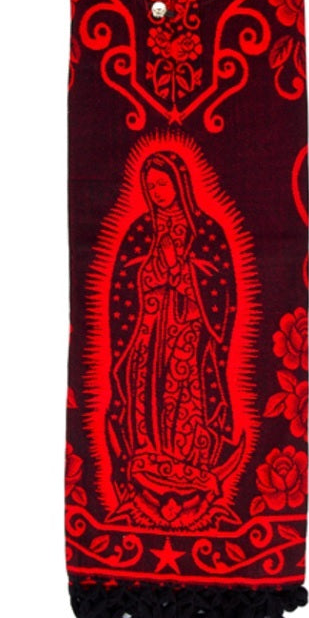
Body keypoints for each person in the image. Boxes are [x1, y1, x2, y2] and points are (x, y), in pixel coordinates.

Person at [105, 150, 237, 528]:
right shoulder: (140, 230)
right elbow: (124, 281)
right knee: (145, 387)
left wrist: (181, 270)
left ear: (180, 183)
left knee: (182, 392)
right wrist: (152, 270)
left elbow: (220, 284)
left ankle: (187, 463)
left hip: (189, 329)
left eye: (163, 183)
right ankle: (146, 456)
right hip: (147, 328)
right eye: (151, 186)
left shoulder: (206, 230)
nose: (157, 192)